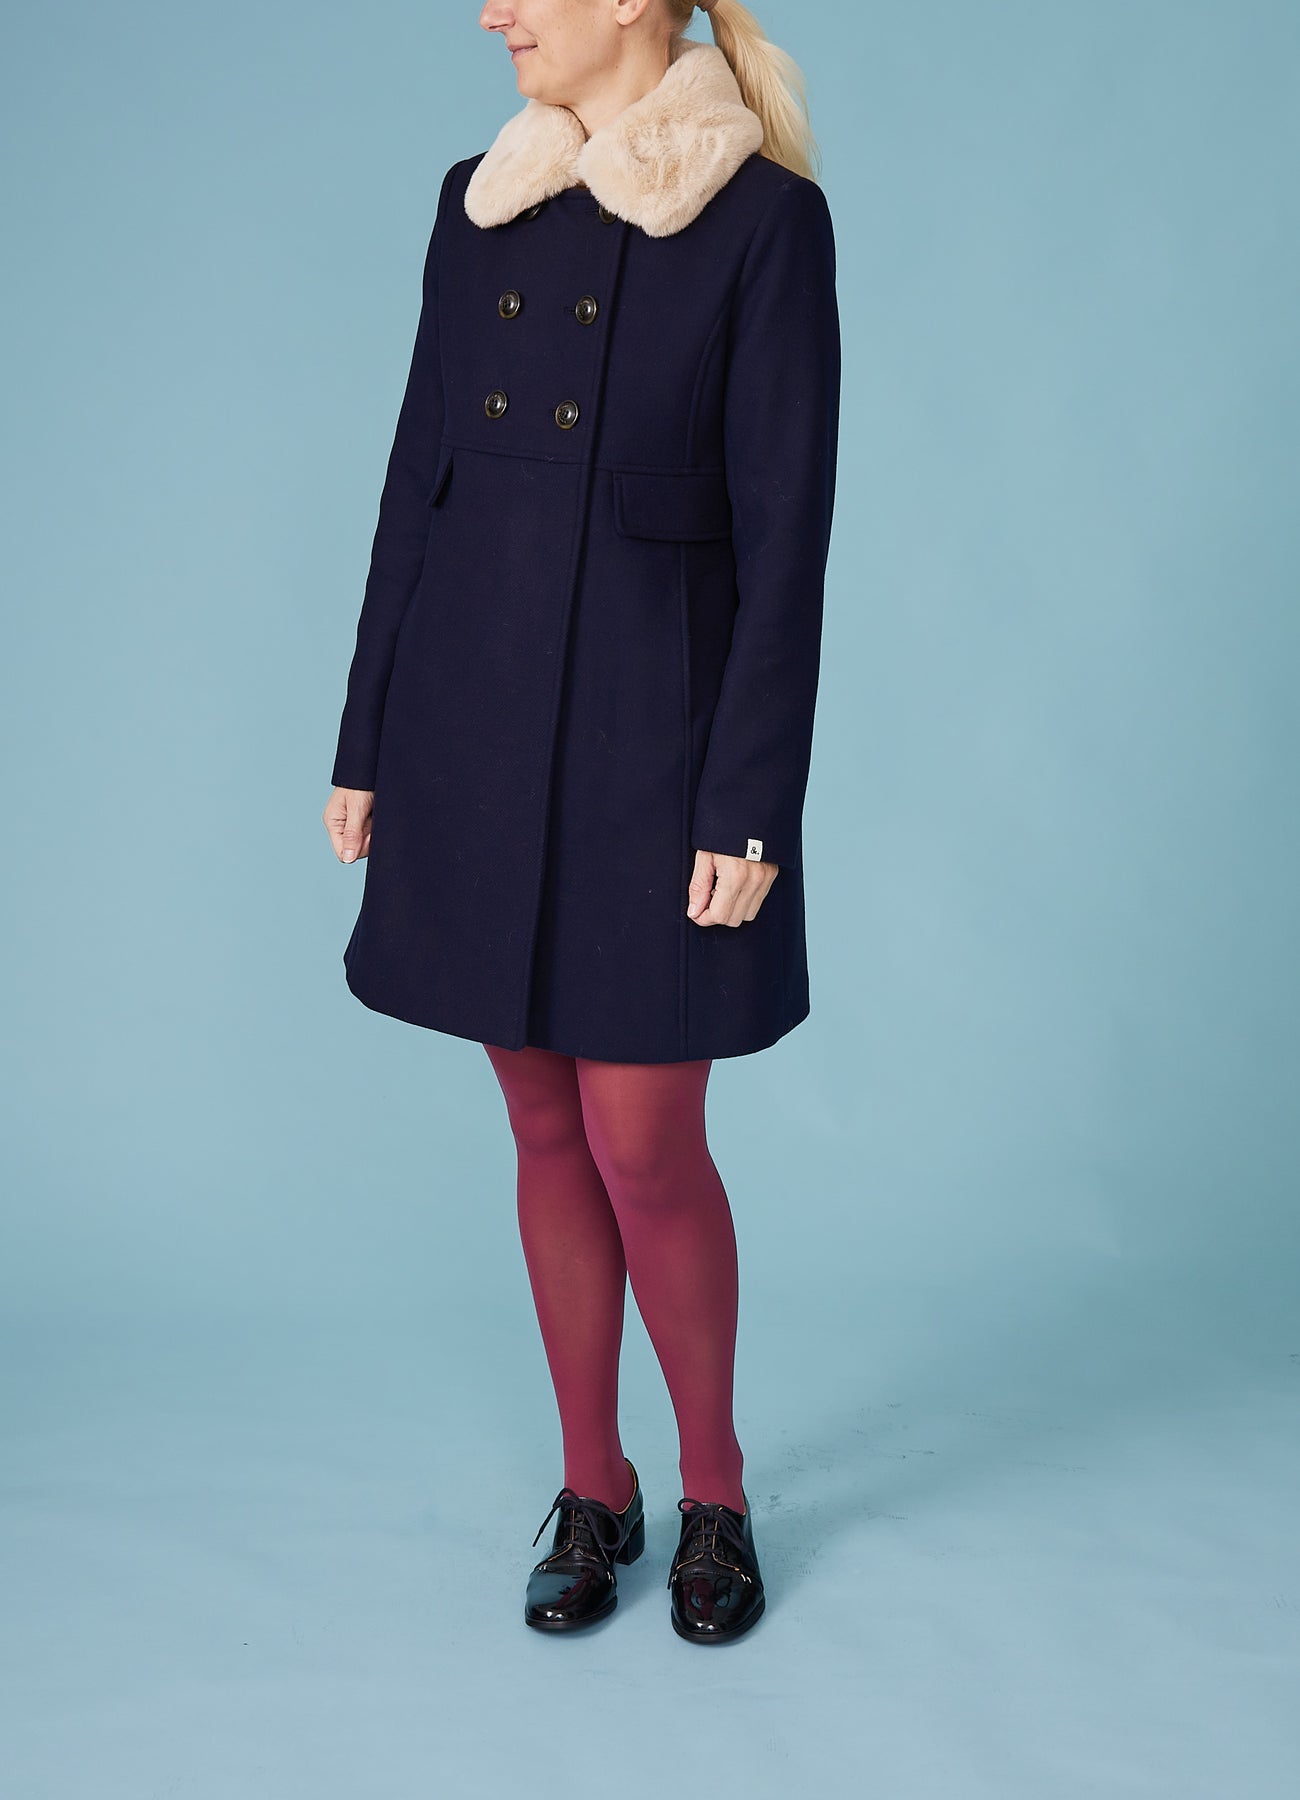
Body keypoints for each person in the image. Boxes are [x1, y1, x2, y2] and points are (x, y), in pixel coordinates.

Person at [322, 0, 840, 1644]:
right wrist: (367, 736)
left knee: (642, 1140)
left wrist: (747, 805)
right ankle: (593, 1486)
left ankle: (717, 1493)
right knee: (542, 1129)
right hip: (470, 723)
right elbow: (415, 482)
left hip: (653, 744)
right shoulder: (477, 203)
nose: (492, 11)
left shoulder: (762, 222)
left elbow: (787, 536)